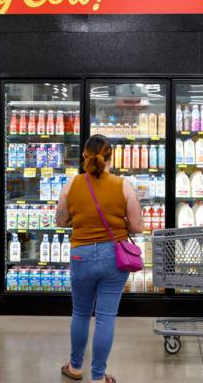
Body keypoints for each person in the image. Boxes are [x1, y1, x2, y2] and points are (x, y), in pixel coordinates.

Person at [55, 134, 143, 383]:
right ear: (109, 157)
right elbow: (136, 227)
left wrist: (80, 218)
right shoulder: (123, 185)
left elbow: (60, 220)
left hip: (81, 254)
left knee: (81, 313)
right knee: (105, 317)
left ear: (84, 157)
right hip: (113, 257)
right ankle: (98, 376)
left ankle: (74, 367)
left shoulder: (71, 185)